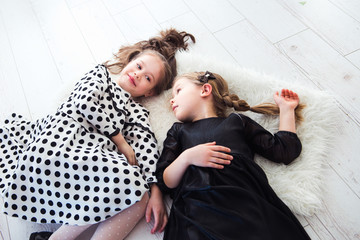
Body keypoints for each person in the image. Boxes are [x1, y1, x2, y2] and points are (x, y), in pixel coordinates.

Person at [0, 29, 195, 240]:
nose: (138, 74)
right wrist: (119, 140)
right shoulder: (100, 76)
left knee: (140, 196)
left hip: (87, 163)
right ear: (130, 62)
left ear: (150, 93)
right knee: (128, 181)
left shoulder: (137, 112)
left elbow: (145, 145)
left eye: (147, 78)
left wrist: (155, 189)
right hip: (60, 141)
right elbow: (84, 102)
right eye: (138, 66)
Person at [155, 71, 310, 240]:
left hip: (244, 204)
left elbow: (283, 151)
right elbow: (165, 181)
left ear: (205, 90)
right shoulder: (178, 131)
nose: (172, 100)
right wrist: (187, 157)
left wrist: (286, 109)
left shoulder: (236, 121)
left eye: (178, 91)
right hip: (198, 211)